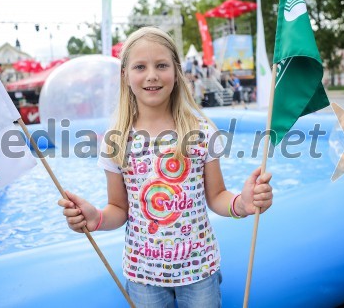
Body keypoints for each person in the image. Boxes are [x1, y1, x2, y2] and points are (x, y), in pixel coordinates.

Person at [58, 27, 273, 307]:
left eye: (161, 65)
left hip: (199, 272)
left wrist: (242, 204)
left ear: (176, 71)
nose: (152, 75)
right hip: (144, 276)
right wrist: (95, 218)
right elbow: (120, 209)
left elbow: (217, 197)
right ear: (125, 76)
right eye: (140, 66)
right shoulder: (116, 141)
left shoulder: (201, 132)